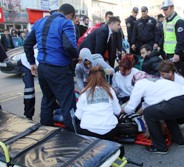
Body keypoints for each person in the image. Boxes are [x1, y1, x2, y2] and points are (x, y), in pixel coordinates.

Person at [24, 3, 78, 131]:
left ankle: (46, 132)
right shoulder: (66, 23)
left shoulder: (39, 22)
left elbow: (27, 43)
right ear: (70, 15)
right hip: (59, 69)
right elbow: (69, 46)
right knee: (67, 103)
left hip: (42, 67)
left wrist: (32, 63)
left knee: (47, 100)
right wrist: (75, 57)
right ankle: (74, 137)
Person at [122, 71, 184, 154]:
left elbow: (130, 108)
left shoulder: (139, 84)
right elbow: (145, 106)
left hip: (179, 102)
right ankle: (178, 139)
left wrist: (120, 112)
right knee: (164, 112)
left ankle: (160, 147)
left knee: (148, 113)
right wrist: (137, 114)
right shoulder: (157, 81)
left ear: (135, 81)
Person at [75, 66, 121, 140]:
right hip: (109, 131)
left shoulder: (84, 92)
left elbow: (78, 116)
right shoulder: (110, 90)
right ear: (104, 77)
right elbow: (117, 111)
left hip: (88, 131)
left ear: (89, 77)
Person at [161, 0, 184, 65]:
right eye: (163, 9)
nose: (164, 11)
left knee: (177, 74)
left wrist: (177, 53)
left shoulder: (179, 21)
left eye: (166, 9)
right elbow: (165, 36)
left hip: (176, 54)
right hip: (168, 52)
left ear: (172, 8)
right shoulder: (166, 21)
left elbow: (182, 40)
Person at [20, 52, 38, 120]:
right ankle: (28, 115)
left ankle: (53, 107)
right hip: (26, 64)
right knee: (29, 90)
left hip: (38, 63)